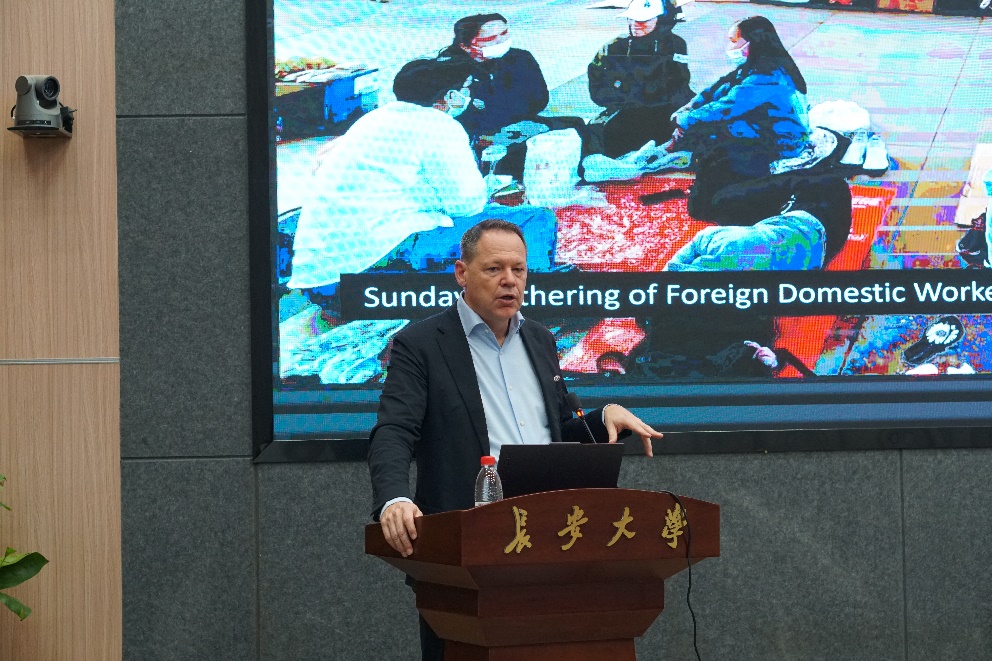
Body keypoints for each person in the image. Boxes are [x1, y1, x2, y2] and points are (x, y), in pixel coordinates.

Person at [368, 219, 663, 661]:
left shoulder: (540, 339)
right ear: (462, 273)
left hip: (551, 538)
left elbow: (556, 428)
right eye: (494, 269)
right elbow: (395, 429)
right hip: (469, 547)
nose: (509, 280)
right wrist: (393, 498)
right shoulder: (421, 344)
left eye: (519, 270)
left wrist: (602, 417)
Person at [287, 58, 558, 316]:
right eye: (465, 90)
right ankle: (531, 301)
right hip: (368, 275)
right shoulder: (439, 124)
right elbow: (468, 204)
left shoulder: (373, 119)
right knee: (534, 219)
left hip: (321, 285)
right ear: (450, 96)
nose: (468, 96)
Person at [668, 16, 811, 222]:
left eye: (734, 41)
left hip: (782, 143)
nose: (729, 47)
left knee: (712, 141)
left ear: (753, 43)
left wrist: (684, 120)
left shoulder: (767, 77)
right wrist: (691, 106)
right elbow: (719, 89)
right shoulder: (753, 67)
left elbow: (726, 108)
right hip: (760, 128)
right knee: (705, 133)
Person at [665, 174, 853, 271]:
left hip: (816, 253)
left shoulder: (735, 299)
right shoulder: (716, 241)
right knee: (831, 183)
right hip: (816, 227)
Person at [587, 0, 694, 158]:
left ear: (661, 20)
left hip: (663, 112)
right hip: (626, 110)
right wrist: (625, 99)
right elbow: (597, 85)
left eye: (644, 20)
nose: (636, 24)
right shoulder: (613, 47)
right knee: (602, 134)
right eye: (632, 18)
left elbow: (680, 85)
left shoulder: (675, 45)